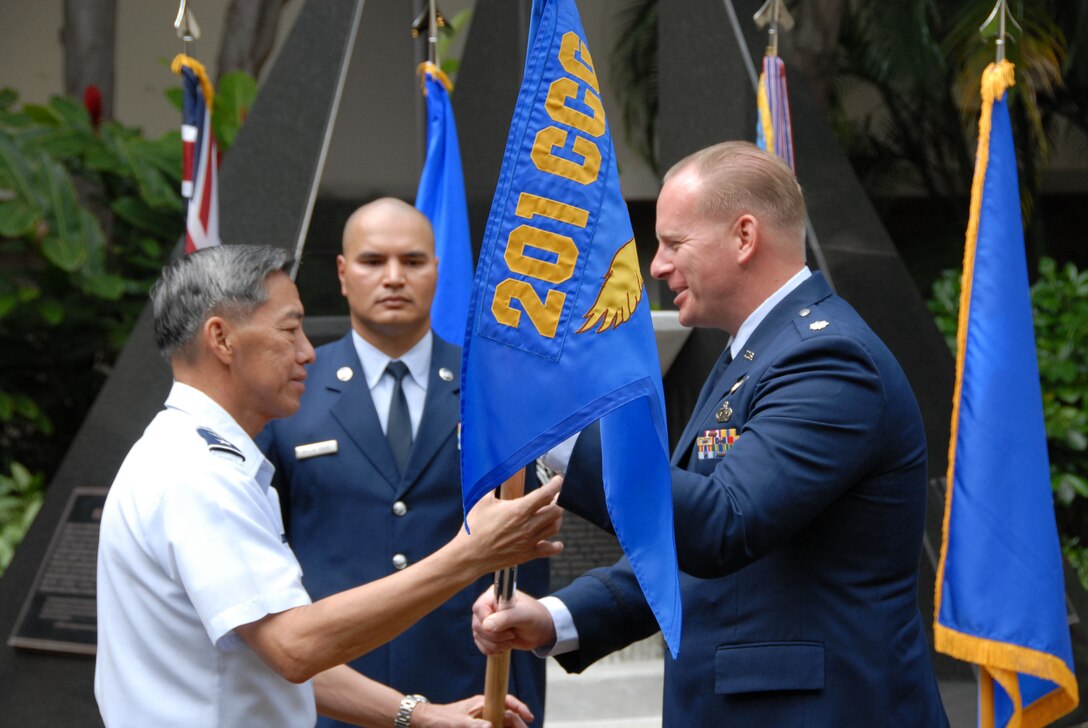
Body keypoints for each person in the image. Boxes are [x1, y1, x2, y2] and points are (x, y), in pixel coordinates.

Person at [472, 141, 949, 726]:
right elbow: (683, 544)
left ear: (744, 237)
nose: (656, 265)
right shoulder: (754, 352)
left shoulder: (827, 359)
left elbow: (723, 525)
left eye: (674, 243)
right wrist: (559, 617)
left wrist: (553, 436)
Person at [95, 244, 563, 728]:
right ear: (222, 338)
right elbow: (293, 647)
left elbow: (271, 651)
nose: (307, 352)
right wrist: (471, 553)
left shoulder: (194, 456)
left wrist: (418, 715)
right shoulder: (198, 473)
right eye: (289, 329)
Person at [257, 198, 550, 727]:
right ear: (343, 274)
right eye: (373, 261)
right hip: (331, 692)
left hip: (468, 689)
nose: (393, 277)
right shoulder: (286, 392)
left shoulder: (494, 390)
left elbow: (528, 554)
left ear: (438, 270)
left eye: (413, 262)